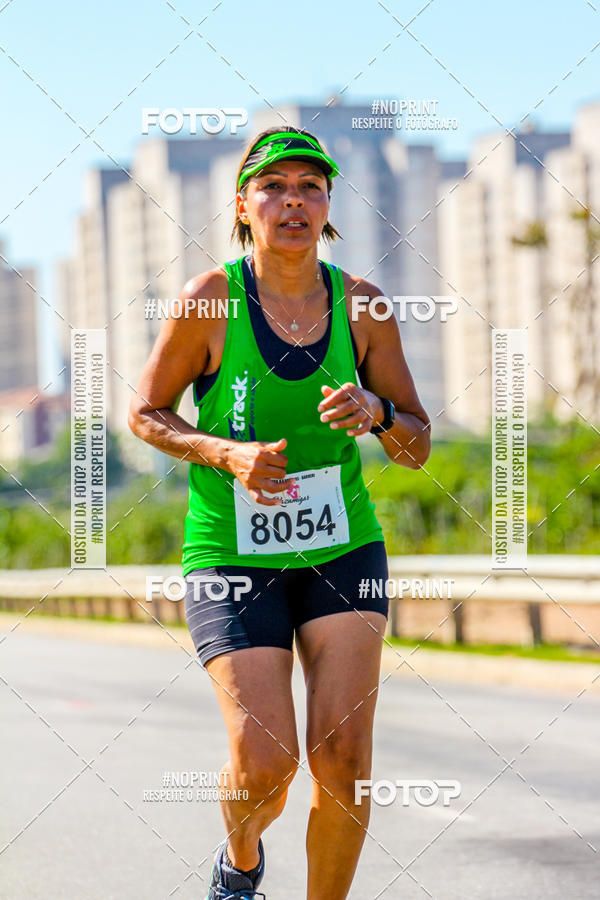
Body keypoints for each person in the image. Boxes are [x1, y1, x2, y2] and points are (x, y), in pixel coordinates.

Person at [128, 126, 431, 900]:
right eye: (274, 187)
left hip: (342, 550)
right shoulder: (210, 300)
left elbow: (417, 443)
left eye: (310, 188)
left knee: (345, 762)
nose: (293, 202)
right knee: (267, 763)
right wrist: (224, 454)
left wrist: (377, 413)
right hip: (232, 553)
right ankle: (240, 863)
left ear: (328, 206)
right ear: (243, 205)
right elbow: (146, 413)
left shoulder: (363, 306)